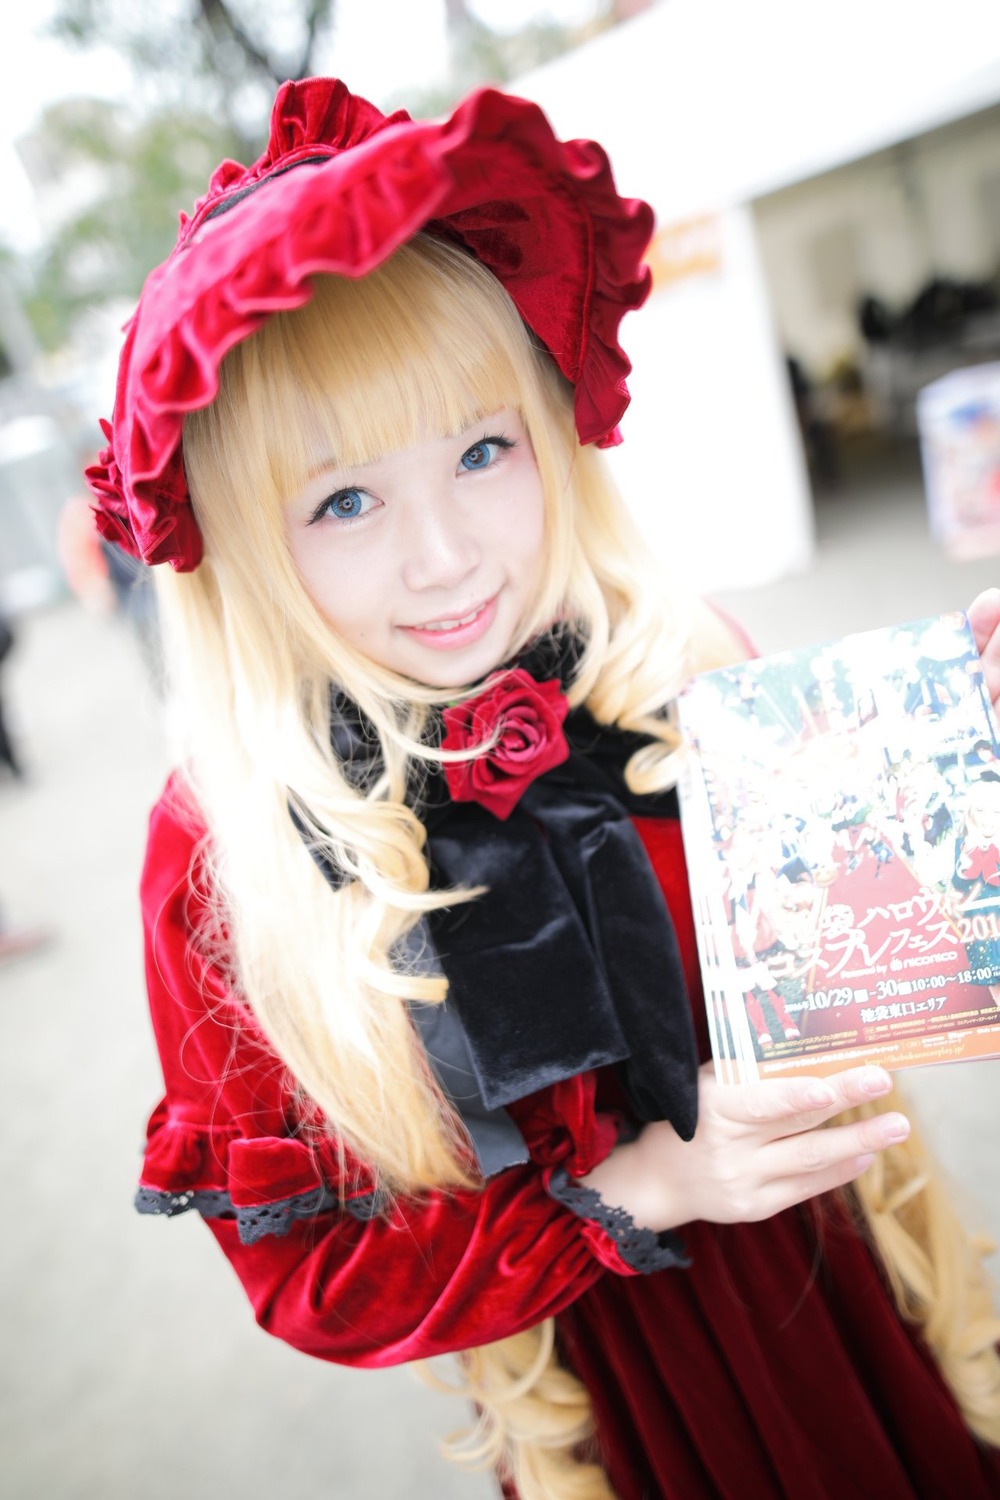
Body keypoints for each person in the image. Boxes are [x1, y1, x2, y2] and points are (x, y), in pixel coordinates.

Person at [87, 77, 1000, 1499]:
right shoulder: (233, 849)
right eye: (343, 500)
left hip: (845, 1273)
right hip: (608, 1399)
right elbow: (307, 1270)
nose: (446, 555)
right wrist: (631, 1195)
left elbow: (866, 967)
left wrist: (948, 761)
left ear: (551, 434)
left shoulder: (671, 657)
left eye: (481, 450)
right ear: (245, 543)